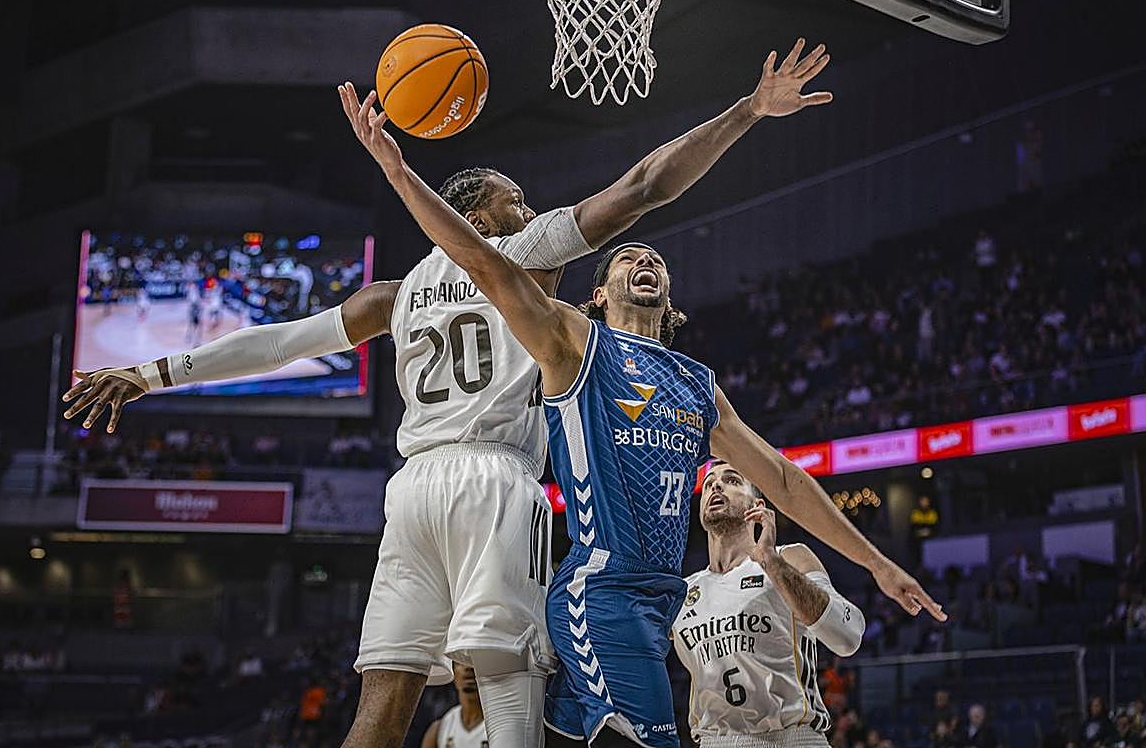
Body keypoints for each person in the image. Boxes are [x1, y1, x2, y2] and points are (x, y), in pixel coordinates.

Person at [62, 38, 835, 748]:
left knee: (383, 700)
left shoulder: (393, 295)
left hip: (412, 493)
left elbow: (278, 343)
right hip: (494, 481)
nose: (528, 211)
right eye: (515, 200)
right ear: (475, 216)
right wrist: (746, 111)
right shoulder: (523, 251)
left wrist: (151, 373)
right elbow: (643, 187)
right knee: (510, 693)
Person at [361, 61, 945, 747]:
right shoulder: (572, 341)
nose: (645, 261)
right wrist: (400, 174)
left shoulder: (697, 383)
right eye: (627, 258)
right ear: (598, 293)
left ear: (670, 297)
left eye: (656, 261)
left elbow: (785, 482)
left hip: (661, 601)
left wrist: (876, 563)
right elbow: (491, 264)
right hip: (601, 594)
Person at [672, 461, 865, 745]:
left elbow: (848, 636)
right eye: (709, 482)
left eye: (732, 480)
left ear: (757, 506)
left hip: (792, 738)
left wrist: (771, 562)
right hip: (715, 740)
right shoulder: (684, 590)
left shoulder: (789, 558)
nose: (716, 485)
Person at [422, 663, 488, 748]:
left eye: (473, 662)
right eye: (460, 662)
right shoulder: (439, 728)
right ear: (453, 675)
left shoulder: (499, 724)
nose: (468, 667)